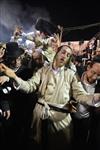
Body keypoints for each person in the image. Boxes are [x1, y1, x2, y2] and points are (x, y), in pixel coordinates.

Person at [0, 45, 100, 150]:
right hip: (39, 116)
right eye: (63, 52)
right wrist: (14, 77)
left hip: (60, 120)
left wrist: (96, 98)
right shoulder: (42, 71)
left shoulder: (71, 75)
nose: (65, 56)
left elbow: (80, 95)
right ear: (57, 52)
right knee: (37, 144)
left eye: (68, 55)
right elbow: (29, 86)